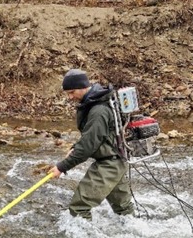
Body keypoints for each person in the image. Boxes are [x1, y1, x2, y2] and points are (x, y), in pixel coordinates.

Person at [49, 69, 134, 220]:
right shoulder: (98, 101)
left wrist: (62, 167)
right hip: (118, 160)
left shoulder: (98, 110)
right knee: (124, 211)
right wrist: (75, 146)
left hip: (109, 164)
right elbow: (94, 135)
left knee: (78, 208)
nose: (70, 97)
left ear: (83, 87)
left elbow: (88, 146)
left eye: (72, 92)